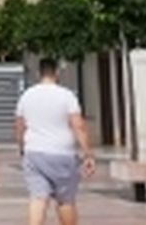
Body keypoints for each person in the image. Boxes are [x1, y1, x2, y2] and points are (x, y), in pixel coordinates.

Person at [15, 59, 95, 225]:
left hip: (34, 152)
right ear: (57, 72)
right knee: (65, 200)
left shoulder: (27, 96)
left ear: (39, 73)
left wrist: (22, 147)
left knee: (38, 199)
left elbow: (19, 126)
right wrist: (88, 153)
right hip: (62, 153)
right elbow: (78, 125)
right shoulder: (67, 96)